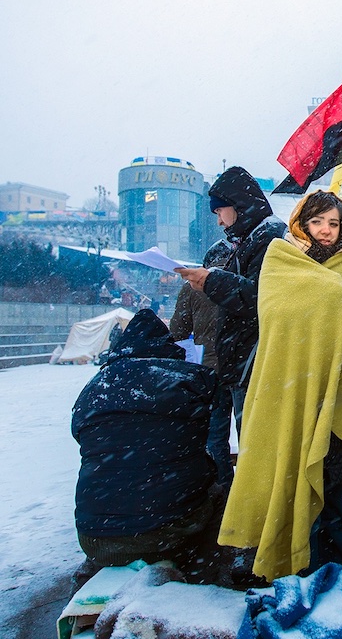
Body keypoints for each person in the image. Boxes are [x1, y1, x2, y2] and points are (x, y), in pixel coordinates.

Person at [218, 190, 342, 582]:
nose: (326, 231)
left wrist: (339, 308)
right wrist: (327, 298)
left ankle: (334, 572)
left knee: (338, 494)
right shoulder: (281, 262)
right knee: (294, 486)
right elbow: (277, 320)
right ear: (301, 224)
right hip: (299, 397)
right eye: (317, 222)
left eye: (334, 223)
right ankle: (296, 568)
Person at [71, 309, 221, 584]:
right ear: (167, 346)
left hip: (94, 537)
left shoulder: (94, 387)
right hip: (169, 531)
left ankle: (106, 565)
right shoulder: (192, 379)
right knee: (222, 493)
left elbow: (80, 434)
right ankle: (204, 579)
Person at [177, 166, 286, 434]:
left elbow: (261, 297)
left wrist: (212, 281)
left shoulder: (269, 237)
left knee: (257, 447)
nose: (219, 221)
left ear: (237, 205)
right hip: (245, 365)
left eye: (219, 212)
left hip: (256, 365)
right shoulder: (251, 238)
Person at [170, 239, 235, 489]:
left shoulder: (192, 287)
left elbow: (177, 330)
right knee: (250, 434)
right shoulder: (241, 282)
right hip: (243, 369)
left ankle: (223, 491)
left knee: (215, 437)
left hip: (209, 372)